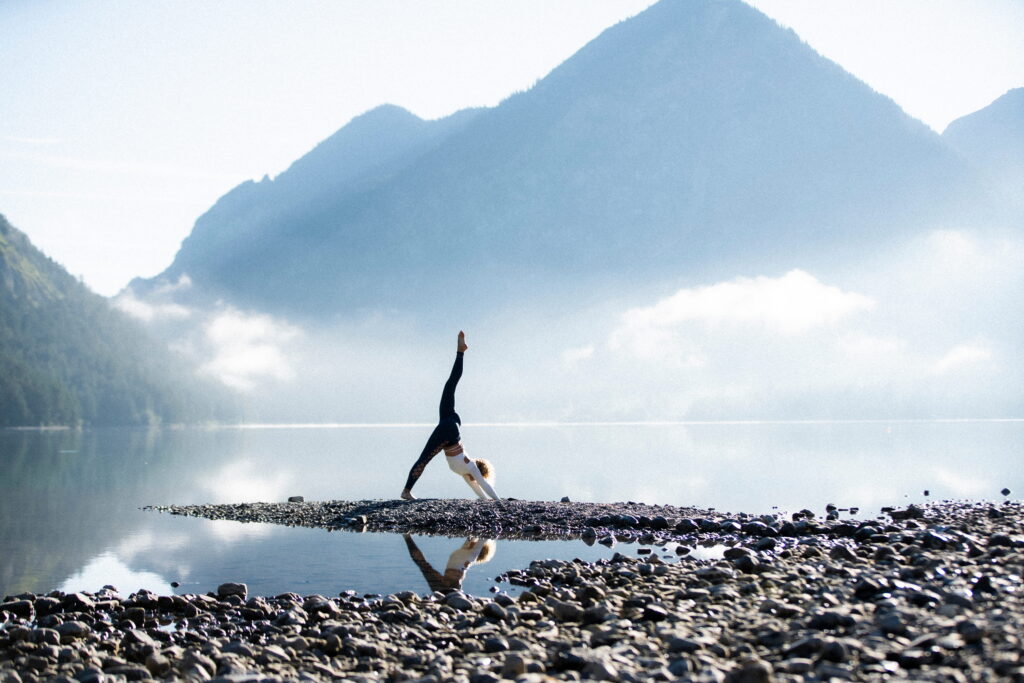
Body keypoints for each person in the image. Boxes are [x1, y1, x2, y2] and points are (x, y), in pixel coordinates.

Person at [400, 331, 500, 501]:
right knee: (424, 459)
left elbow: (480, 489)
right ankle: (406, 491)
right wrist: (499, 502)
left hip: (450, 426)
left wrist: (491, 501)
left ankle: (460, 352)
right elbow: (483, 485)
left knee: (450, 384)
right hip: (450, 430)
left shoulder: (467, 471)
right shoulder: (469, 468)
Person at [403, 533, 496, 592]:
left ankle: (407, 537)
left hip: (452, 580)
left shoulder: (469, 553)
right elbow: (477, 538)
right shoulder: (470, 555)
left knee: (423, 565)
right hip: (450, 581)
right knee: (423, 565)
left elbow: (475, 538)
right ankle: (407, 537)